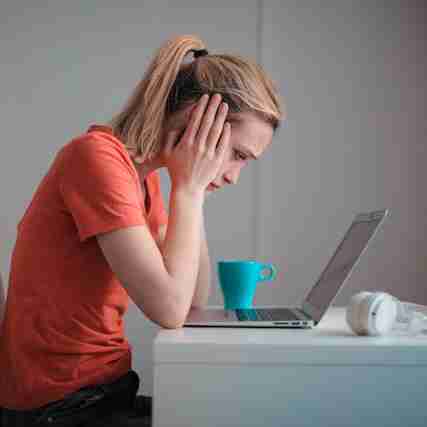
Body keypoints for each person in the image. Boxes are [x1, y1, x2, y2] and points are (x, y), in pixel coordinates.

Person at [0, 34, 284, 426]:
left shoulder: (143, 178)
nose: (235, 175)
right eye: (237, 155)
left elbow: (190, 302)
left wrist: (193, 190)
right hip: (59, 405)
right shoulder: (96, 159)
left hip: (106, 389)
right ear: (199, 120)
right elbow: (168, 310)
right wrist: (188, 190)